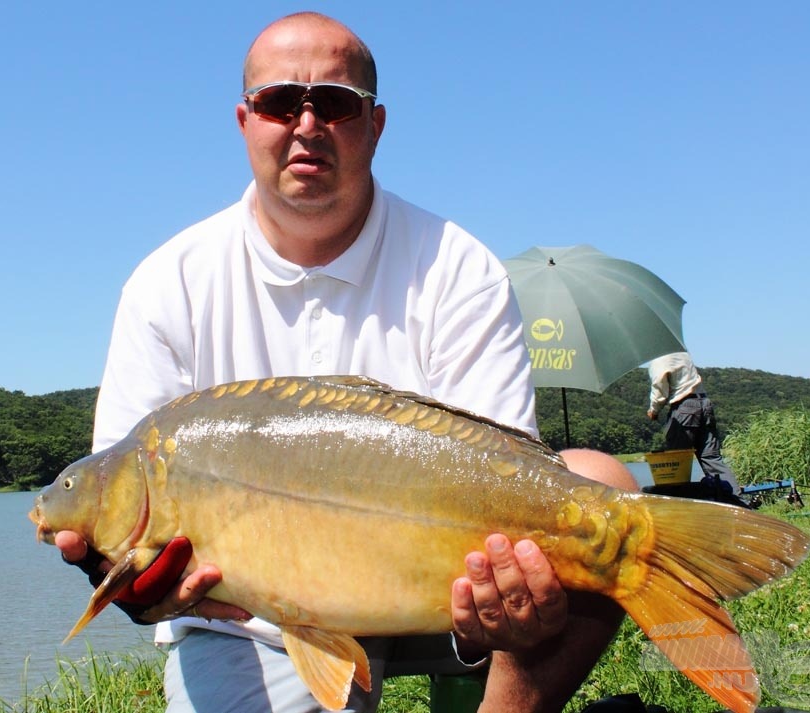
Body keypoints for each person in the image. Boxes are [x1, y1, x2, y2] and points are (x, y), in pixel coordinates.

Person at [56, 12, 636, 713]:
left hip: (445, 590)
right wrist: (132, 590)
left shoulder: (458, 267)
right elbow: (120, 519)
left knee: (603, 490)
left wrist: (507, 579)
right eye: (278, 102)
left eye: (333, 103)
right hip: (253, 619)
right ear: (245, 120)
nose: (306, 125)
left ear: (375, 124)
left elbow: (504, 467)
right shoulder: (166, 284)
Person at [646, 351, 740, 494]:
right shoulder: (680, 351)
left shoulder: (658, 358)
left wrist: (654, 410)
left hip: (684, 407)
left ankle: (679, 506)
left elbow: (660, 388)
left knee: (676, 464)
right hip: (704, 402)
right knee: (711, 458)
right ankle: (737, 501)